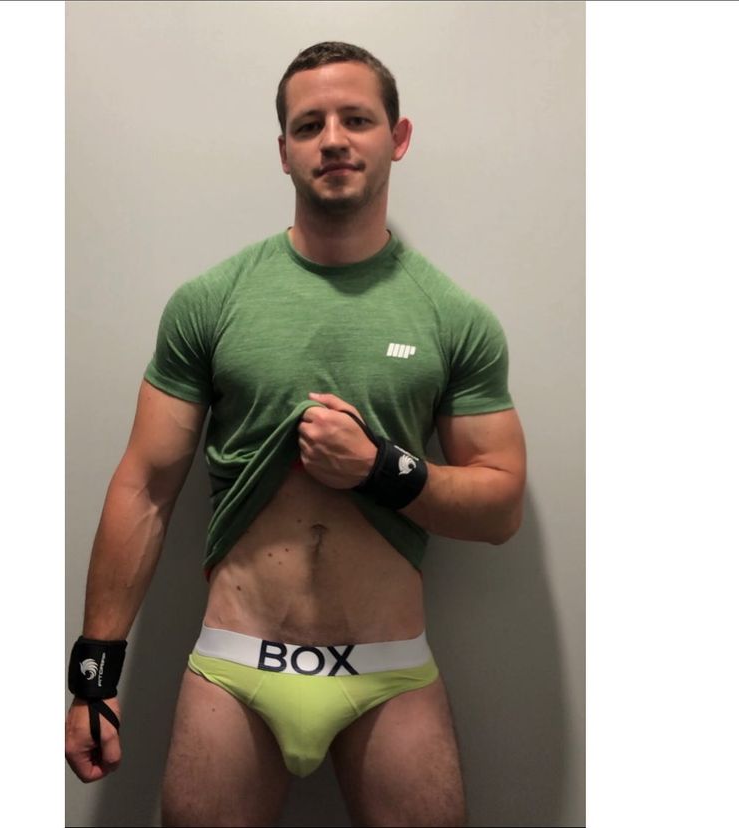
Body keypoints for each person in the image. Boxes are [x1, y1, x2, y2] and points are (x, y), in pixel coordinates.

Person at [65, 40, 526, 828]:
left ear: (398, 137)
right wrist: (93, 677)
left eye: (357, 119)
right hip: (236, 666)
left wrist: (382, 469)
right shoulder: (212, 302)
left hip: (389, 671)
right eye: (309, 125)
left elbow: (501, 506)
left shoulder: (455, 318)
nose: (333, 139)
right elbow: (144, 488)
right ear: (284, 151)